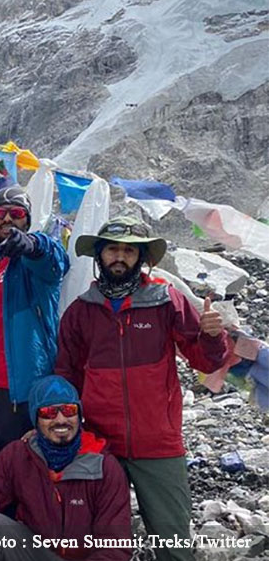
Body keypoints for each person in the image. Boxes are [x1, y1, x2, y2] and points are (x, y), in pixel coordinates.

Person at [56, 216, 233, 561]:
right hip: (100, 444)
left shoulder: (166, 301)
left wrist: (213, 337)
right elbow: (66, 378)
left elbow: (206, 362)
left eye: (129, 251)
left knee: (174, 542)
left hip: (159, 443)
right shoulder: (80, 313)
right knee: (101, 543)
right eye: (112, 249)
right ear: (99, 255)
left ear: (141, 258)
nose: (119, 257)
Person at [0, 186, 70, 471]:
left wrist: (32, 245)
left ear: (27, 219)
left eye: (16, 213)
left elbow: (55, 259)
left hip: (21, 388)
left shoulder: (37, 262)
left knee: (22, 470)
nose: (7, 219)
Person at [0, 375, 132, 561]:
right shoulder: (19, 454)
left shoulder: (104, 466)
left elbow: (115, 548)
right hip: (34, 553)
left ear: (80, 415)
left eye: (69, 410)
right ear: (35, 419)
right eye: (49, 413)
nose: (61, 420)